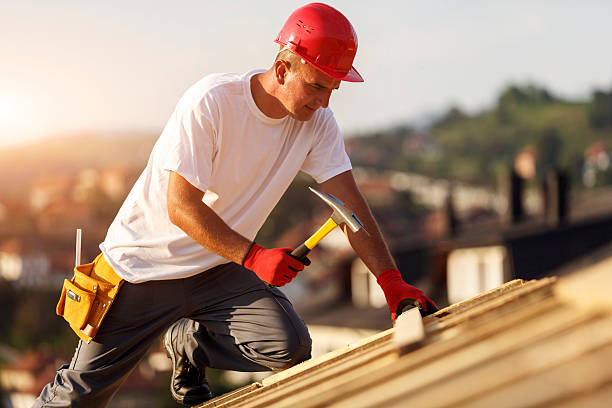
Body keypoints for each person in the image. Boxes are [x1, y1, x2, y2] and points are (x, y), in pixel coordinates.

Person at [35, 3, 437, 407]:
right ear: (283, 70)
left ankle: (188, 342)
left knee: (289, 347)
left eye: (333, 90)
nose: (325, 103)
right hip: (142, 269)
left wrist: (390, 281)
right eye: (316, 86)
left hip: (217, 268)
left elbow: (351, 205)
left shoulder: (317, 124)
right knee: (78, 398)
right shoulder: (212, 102)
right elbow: (181, 207)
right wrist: (254, 256)